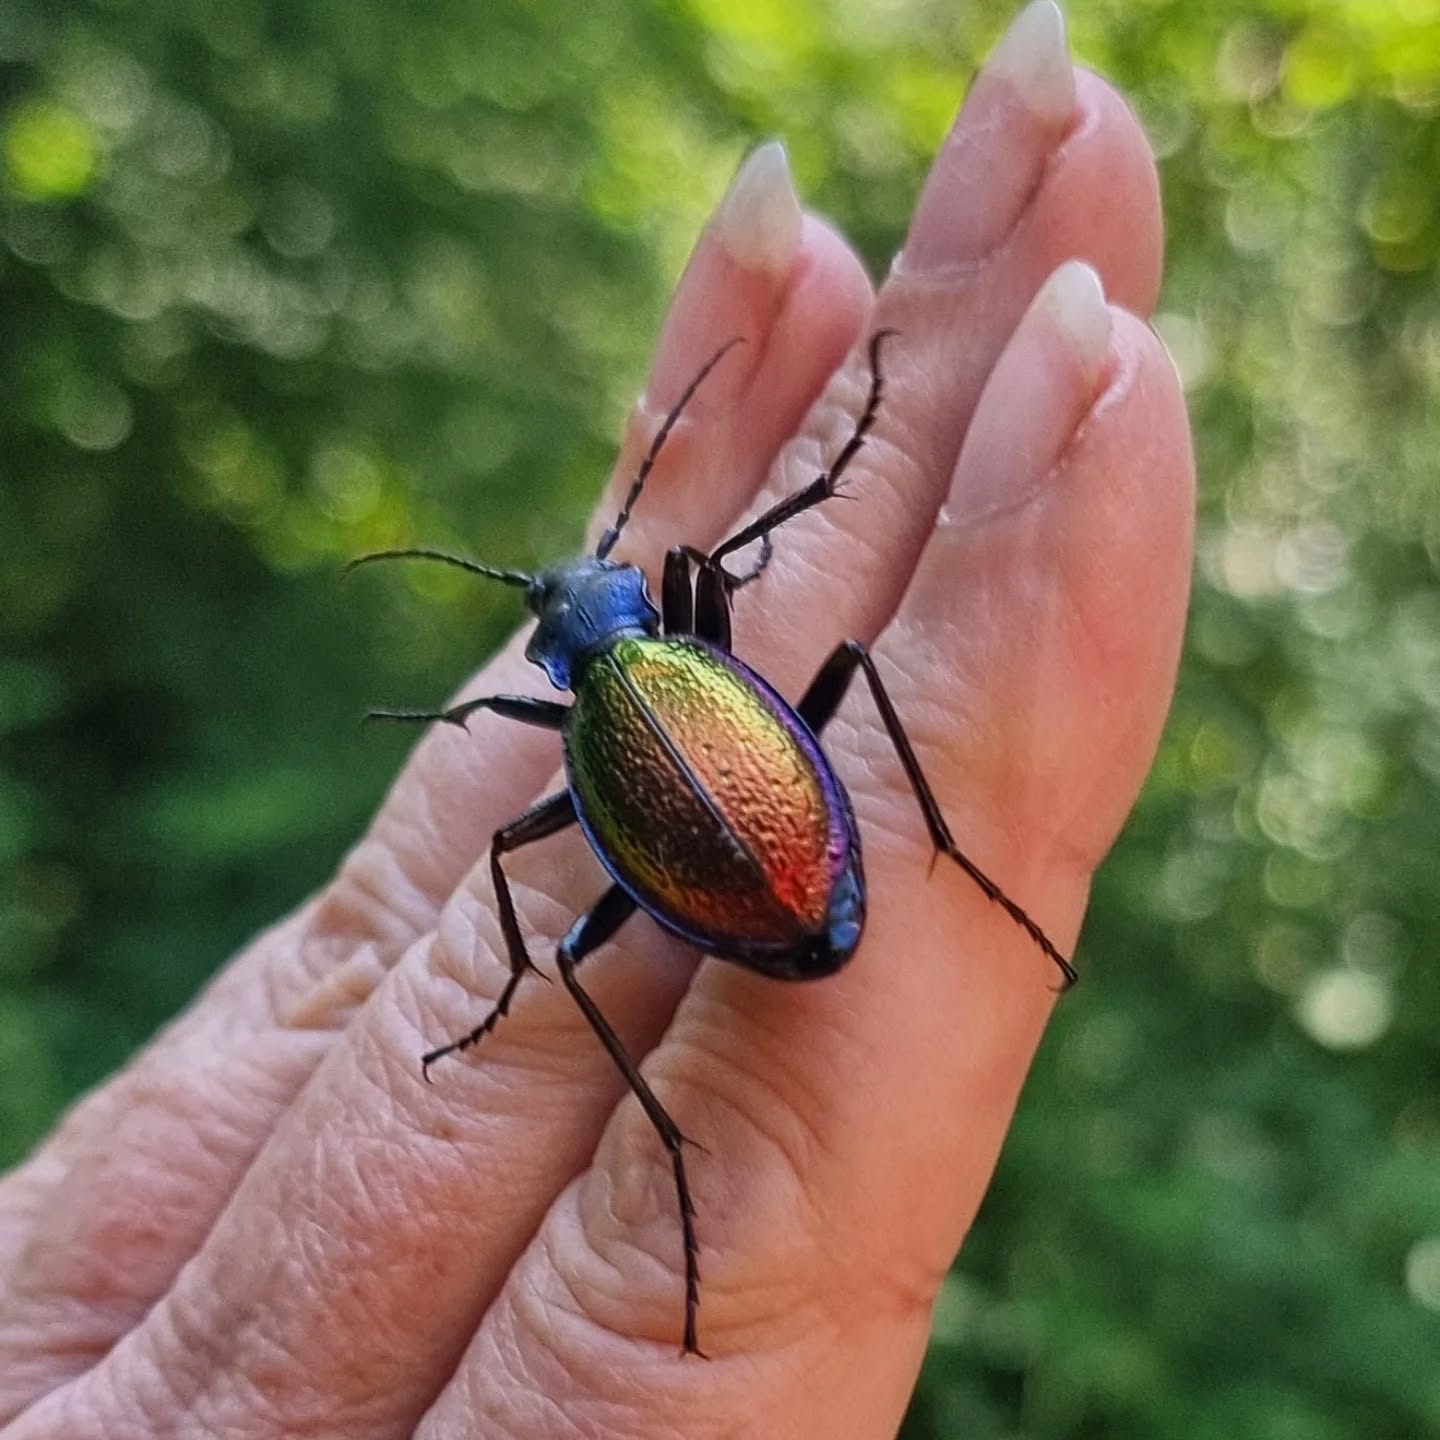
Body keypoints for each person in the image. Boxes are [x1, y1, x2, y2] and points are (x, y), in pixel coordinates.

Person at [0, 3, 1192, 1434]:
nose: (618, 570)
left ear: (556, 656)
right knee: (854, 674)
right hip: (795, 862)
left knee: (553, 934)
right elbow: (765, 578)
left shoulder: (565, 731)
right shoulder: (668, 637)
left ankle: (656, 1129)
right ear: (622, 609)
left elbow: (532, 840)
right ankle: (954, 877)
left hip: (757, 878)